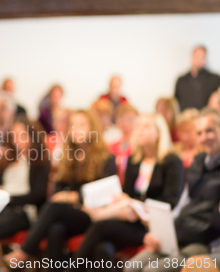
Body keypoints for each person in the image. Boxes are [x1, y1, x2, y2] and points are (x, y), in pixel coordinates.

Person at [3, 110, 116, 272]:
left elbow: (104, 193)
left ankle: (25, 251)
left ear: (93, 128)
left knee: (54, 208)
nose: (76, 129)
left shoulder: (106, 157)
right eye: (72, 125)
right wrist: (71, 198)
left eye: (82, 125)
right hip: (72, 213)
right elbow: (58, 190)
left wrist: (74, 196)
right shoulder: (69, 155)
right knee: (55, 229)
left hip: (94, 214)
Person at [70, 113, 184, 272]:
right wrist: (126, 202)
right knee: (102, 248)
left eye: (146, 126)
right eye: (138, 126)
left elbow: (170, 202)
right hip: (131, 219)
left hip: (152, 224)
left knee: (100, 227)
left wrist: (136, 205)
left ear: (158, 132)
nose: (140, 131)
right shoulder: (134, 160)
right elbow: (127, 193)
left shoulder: (171, 161)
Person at [125, 108, 220, 272]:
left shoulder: (173, 161)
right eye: (199, 133)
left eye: (209, 131)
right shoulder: (198, 163)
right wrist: (161, 233)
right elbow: (182, 205)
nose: (204, 138)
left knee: (152, 271)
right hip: (179, 233)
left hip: (203, 241)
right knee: (132, 267)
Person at [0, 115, 51, 241]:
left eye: (21, 135)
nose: (17, 140)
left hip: (24, 211)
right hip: (2, 206)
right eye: (14, 136)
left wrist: (10, 198)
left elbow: (38, 195)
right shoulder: (9, 159)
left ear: (32, 136)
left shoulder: (39, 161)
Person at [174, 46, 220, 111]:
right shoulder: (181, 80)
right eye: (197, 56)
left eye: (202, 57)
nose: (199, 59)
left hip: (205, 118)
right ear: (192, 56)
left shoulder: (214, 79)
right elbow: (175, 103)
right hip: (185, 119)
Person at [109, 104, 138, 183]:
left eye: (130, 119)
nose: (125, 122)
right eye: (121, 118)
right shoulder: (111, 146)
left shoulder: (139, 146)